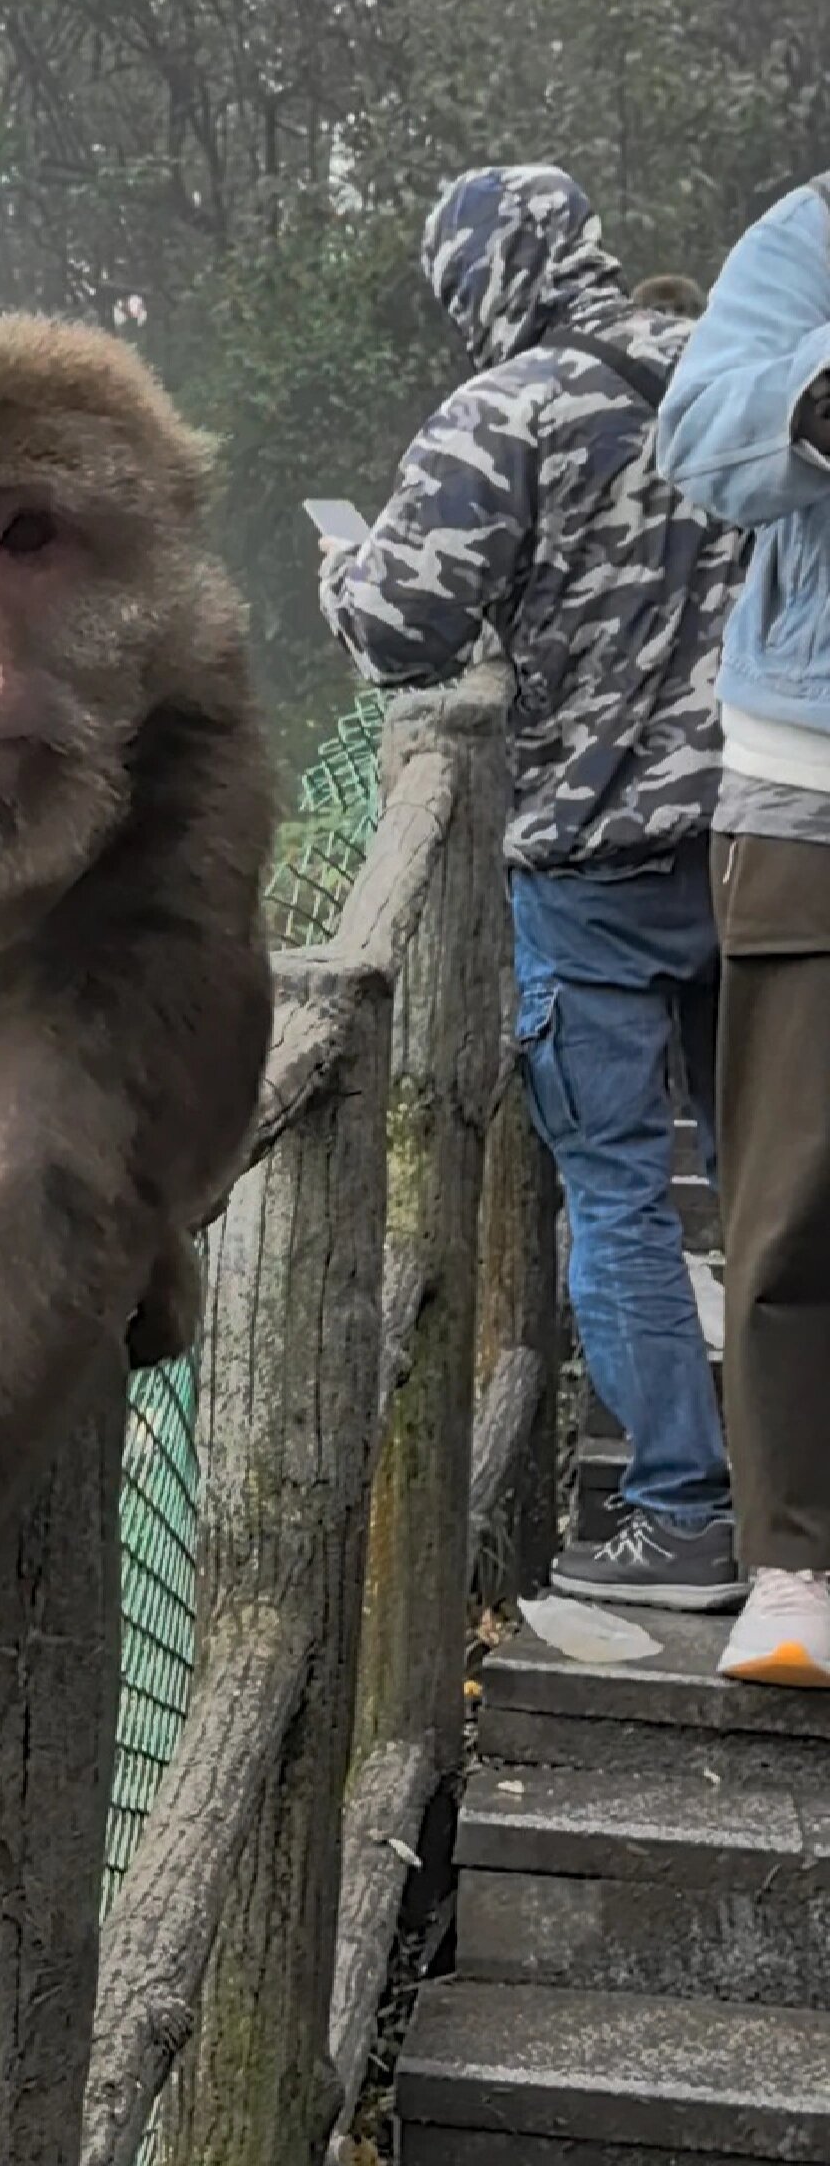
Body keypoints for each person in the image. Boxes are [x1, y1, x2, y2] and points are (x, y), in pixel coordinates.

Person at [319, 164, 744, 1608]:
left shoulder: (504, 413)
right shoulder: (731, 365)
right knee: (781, 1182)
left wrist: (338, 570)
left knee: (620, 1195)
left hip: (598, 858)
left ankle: (684, 1516)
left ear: (478, 284)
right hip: (767, 843)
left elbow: (398, 629)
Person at [658, 174, 830, 1684]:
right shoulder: (806, 236)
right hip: (806, 788)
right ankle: (794, 1560)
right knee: (788, 1198)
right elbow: (701, 436)